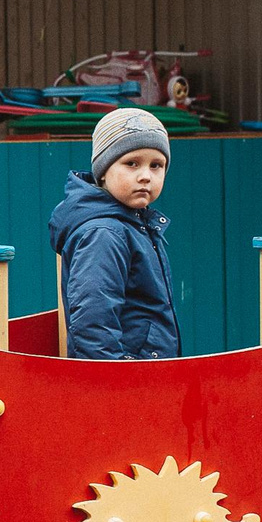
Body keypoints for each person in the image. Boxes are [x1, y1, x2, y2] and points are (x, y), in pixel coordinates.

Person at [49, 107, 180, 361]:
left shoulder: (137, 225)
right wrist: (115, 379)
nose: (145, 176)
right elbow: (93, 320)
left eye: (156, 165)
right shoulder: (104, 233)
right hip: (122, 381)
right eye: (131, 163)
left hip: (146, 375)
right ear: (103, 171)